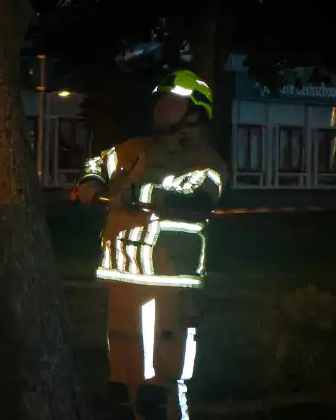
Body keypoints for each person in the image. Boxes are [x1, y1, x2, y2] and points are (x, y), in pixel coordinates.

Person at [74, 70, 227, 420]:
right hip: (123, 275)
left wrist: (134, 193)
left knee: (160, 387)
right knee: (121, 388)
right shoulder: (133, 149)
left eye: (171, 100)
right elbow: (96, 163)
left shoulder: (206, 161)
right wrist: (91, 183)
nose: (160, 105)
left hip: (170, 281)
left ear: (195, 113)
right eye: (160, 98)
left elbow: (198, 199)